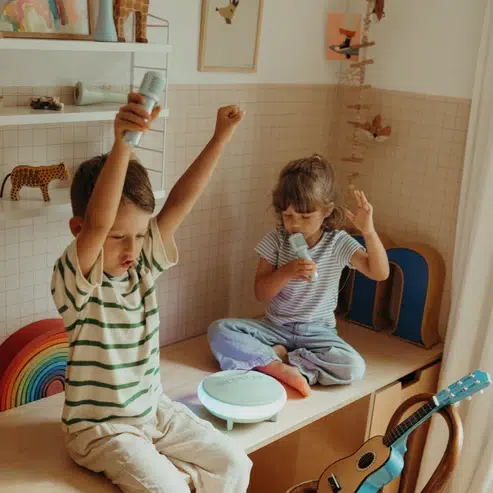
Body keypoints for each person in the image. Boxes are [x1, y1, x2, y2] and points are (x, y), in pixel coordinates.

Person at [51, 92, 252, 492]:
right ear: (78, 230)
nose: (132, 249)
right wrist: (123, 144)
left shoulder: (142, 265)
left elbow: (180, 202)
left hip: (152, 411)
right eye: (118, 237)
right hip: (100, 429)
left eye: (141, 235)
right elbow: (98, 223)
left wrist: (220, 137)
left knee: (234, 464)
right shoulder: (79, 282)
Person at [208, 154, 390, 397]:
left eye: (305, 217)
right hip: (275, 327)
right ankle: (280, 366)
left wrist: (368, 232)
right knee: (219, 329)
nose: (295, 224)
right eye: (288, 216)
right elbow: (261, 293)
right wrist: (286, 271)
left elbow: (379, 273)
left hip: (318, 334)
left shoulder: (337, 242)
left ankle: (283, 361)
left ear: (326, 211)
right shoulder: (276, 240)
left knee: (353, 366)